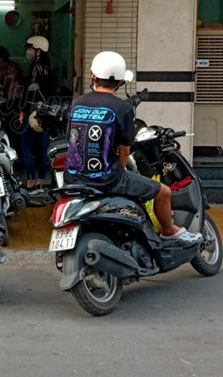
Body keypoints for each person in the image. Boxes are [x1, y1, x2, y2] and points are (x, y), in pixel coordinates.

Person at [63, 51, 202, 247]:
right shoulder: (123, 108)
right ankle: (169, 230)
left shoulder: (77, 103)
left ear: (93, 76)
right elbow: (124, 152)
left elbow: (72, 140)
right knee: (163, 192)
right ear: (120, 81)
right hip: (107, 180)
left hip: (72, 178)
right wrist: (120, 173)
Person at [20, 35, 55, 187]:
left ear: (38, 51)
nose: (28, 52)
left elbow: (30, 91)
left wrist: (22, 110)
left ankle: (30, 180)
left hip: (34, 111)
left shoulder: (36, 67)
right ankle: (41, 179)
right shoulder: (49, 67)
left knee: (25, 145)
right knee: (43, 147)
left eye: (30, 49)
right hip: (47, 111)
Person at [0, 45, 24, 137]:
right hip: (20, 97)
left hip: (9, 99)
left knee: (8, 122)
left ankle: (9, 138)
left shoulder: (1, 68)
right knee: (16, 122)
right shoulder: (15, 65)